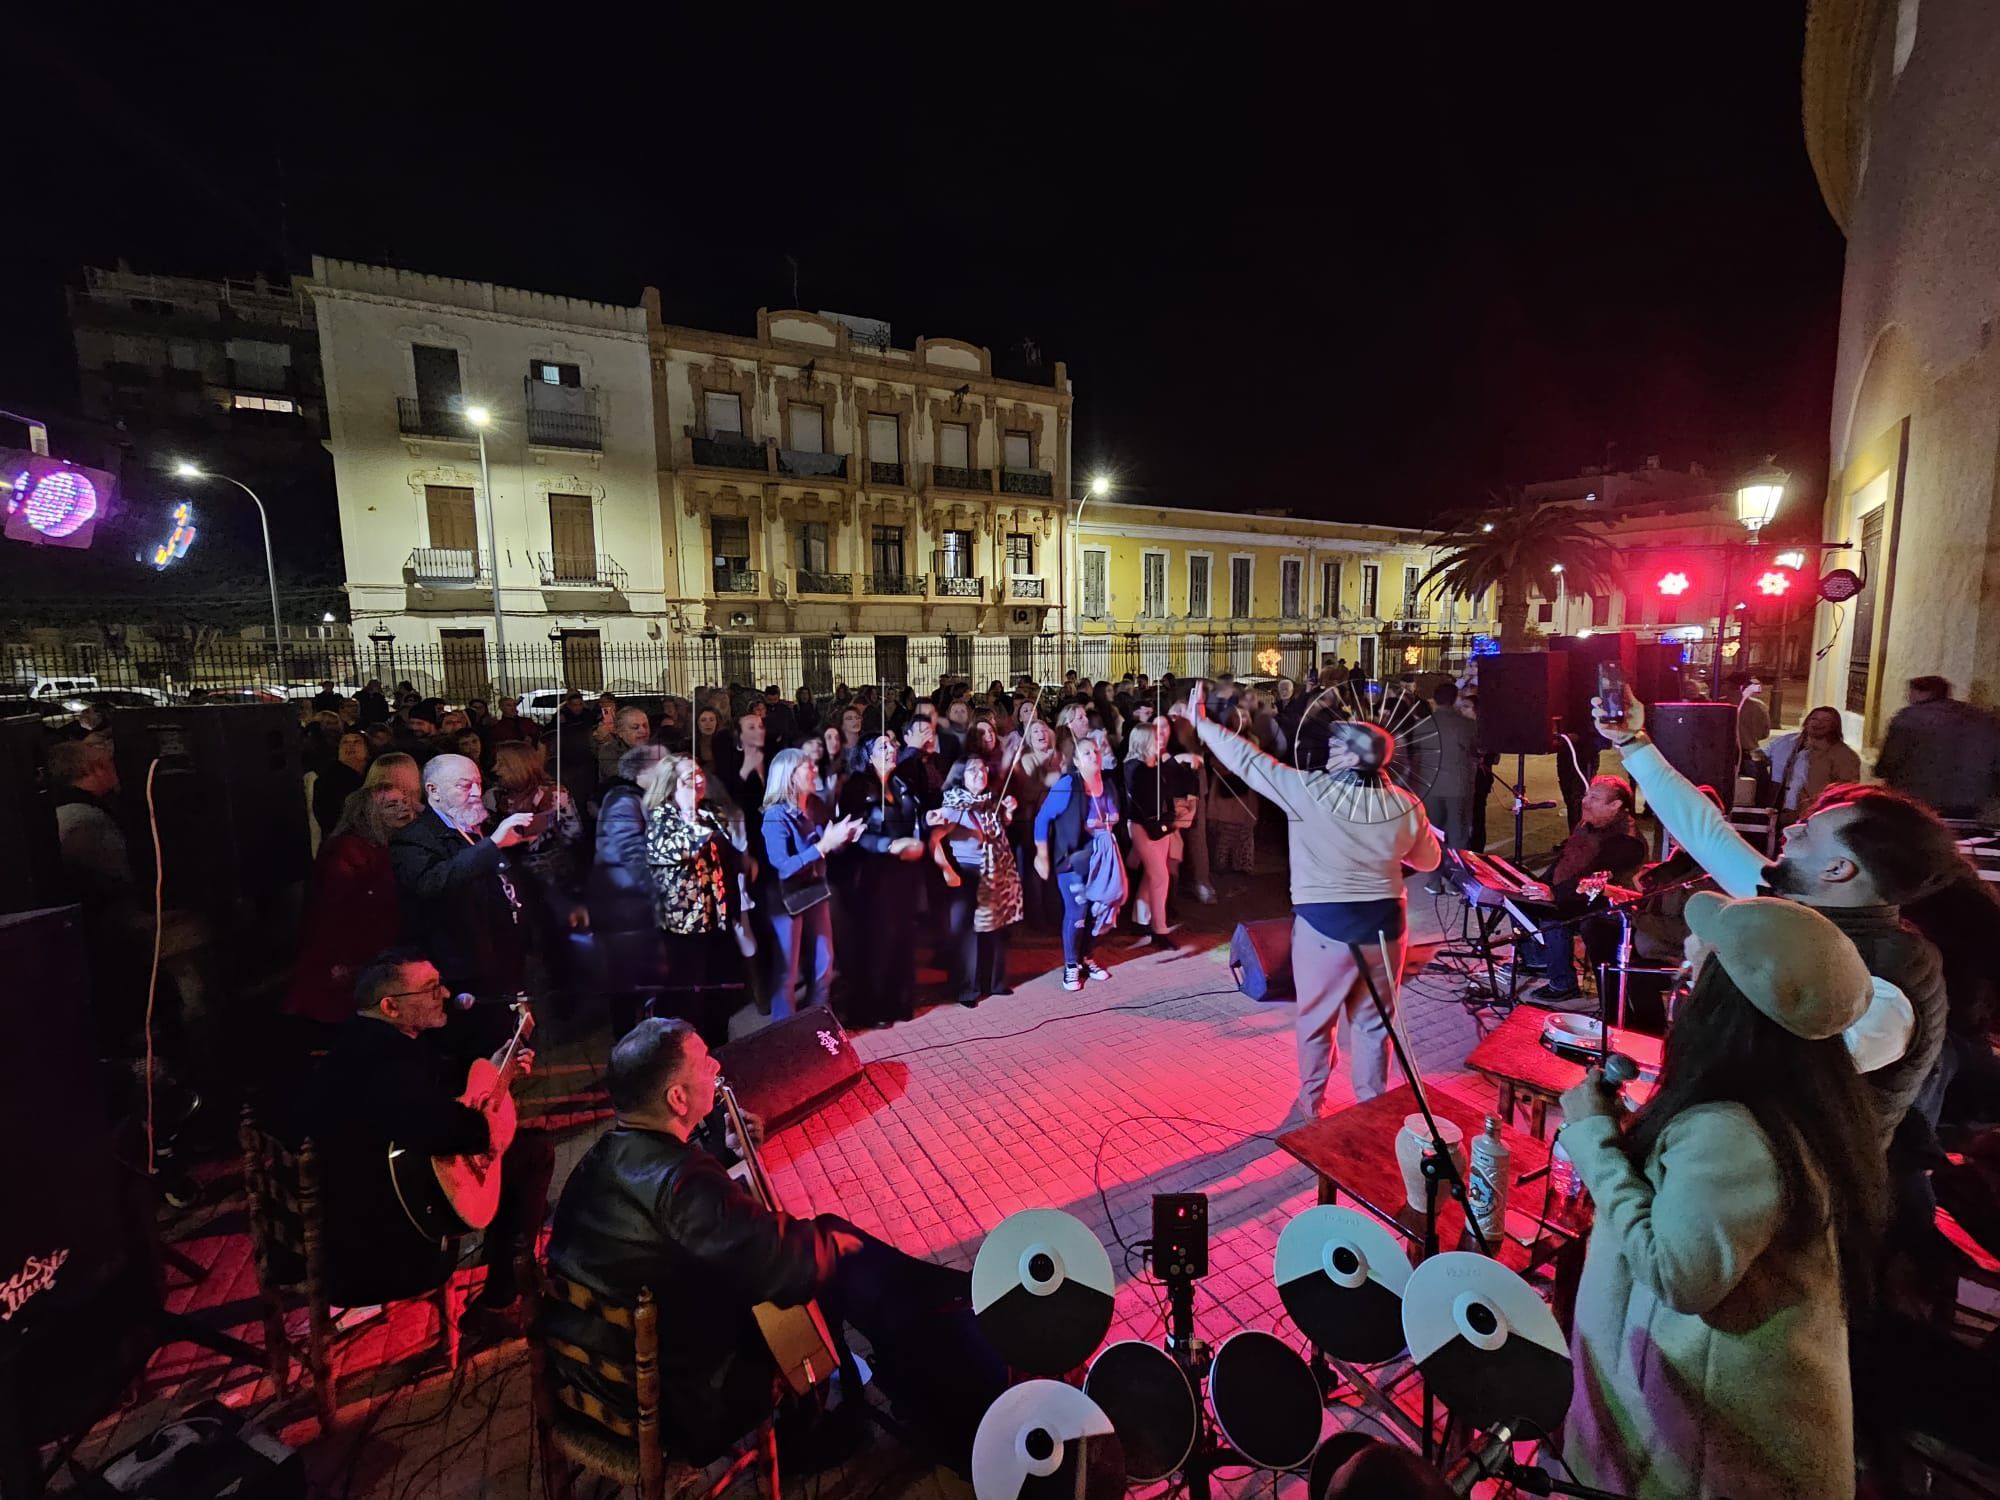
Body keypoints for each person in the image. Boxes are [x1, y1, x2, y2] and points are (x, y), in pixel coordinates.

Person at [542, 1018, 1004, 1469]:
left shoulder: (599, 1160)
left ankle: (934, 1313)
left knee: (830, 1257)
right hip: (678, 1404)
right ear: (677, 1098)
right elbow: (782, 1269)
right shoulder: (684, 1183)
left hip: (587, 1383)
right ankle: (823, 1427)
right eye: (705, 1064)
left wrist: (721, 1157)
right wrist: (840, 1244)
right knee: (823, 1276)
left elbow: (670, 1222)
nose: (716, 1070)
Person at [1555, 894, 1886, 1499]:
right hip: (1714, 1418)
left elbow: (1680, 1275)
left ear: (1724, 1004)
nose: (1682, 985)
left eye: (1695, 971)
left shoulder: (1735, 1128)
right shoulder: (1807, 1096)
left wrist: (1593, 1141)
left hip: (1704, 1450)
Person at [1591, 695, 1950, 1160]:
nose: (1788, 832)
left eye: (1808, 833)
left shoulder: (1889, 983)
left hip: (1797, 1199)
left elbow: (1780, 1071)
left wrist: (1713, 970)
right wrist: (1632, 742)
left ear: (1839, 869)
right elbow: (1706, 831)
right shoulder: (1796, 904)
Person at [1176, 684, 1440, 1117]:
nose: (1329, 750)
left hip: (1324, 929)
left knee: (1317, 1021)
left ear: (1356, 758)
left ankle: (1311, 1105)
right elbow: (1428, 860)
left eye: (1338, 746)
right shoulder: (1404, 805)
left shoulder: (1310, 791)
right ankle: (1370, 1109)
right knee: (1375, 1025)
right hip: (1385, 931)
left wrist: (1204, 725)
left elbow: (1250, 763)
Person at [302, 949, 554, 1316]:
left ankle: (506, 1278)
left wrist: (498, 1072)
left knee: (517, 1159)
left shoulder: (366, 1040)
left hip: (370, 1209)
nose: (447, 995)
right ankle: (501, 1303)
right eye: (432, 989)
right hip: (383, 1248)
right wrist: (492, 1119)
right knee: (531, 1154)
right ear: (391, 1006)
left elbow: (432, 1111)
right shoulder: (387, 1064)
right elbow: (455, 1131)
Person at [389, 754, 541, 1056]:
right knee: (475, 1054)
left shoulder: (476, 825)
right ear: (433, 791)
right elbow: (432, 883)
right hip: (463, 969)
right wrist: (492, 844)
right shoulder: (414, 839)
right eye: (464, 786)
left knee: (507, 1047)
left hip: (501, 960)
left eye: (478, 784)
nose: (475, 793)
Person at [286, 785, 417, 1040]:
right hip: (347, 965)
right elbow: (330, 913)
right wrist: (339, 962)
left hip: (378, 958)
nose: (404, 808)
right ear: (367, 813)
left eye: (404, 801)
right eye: (391, 805)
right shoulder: (347, 853)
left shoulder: (390, 848)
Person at [1516, 775, 1649, 1008]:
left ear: (1615, 805)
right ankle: (1537, 960)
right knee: (1519, 896)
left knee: (1554, 914)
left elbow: (1593, 881)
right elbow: (1564, 860)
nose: (1585, 801)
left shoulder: (1626, 841)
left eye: (1595, 797)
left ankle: (1563, 983)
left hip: (1600, 903)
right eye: (1587, 794)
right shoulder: (1589, 824)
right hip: (1572, 889)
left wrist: (1554, 894)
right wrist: (1542, 884)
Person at [645, 754, 749, 1044]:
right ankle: (684, 1057)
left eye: (700, 773)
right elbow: (685, 851)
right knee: (687, 1002)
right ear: (670, 785)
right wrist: (692, 817)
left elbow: (728, 855)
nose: (700, 780)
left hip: (717, 919)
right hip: (682, 929)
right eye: (690, 777)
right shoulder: (659, 819)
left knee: (720, 994)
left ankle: (717, 1053)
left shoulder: (709, 812)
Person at [759, 746, 860, 1018]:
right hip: (786, 898)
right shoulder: (775, 816)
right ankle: (785, 1031)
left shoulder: (815, 805)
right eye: (808, 766)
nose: (814, 769)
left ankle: (820, 1017)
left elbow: (826, 844)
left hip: (814, 891)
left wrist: (845, 837)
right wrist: (824, 846)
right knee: (787, 970)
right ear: (789, 775)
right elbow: (783, 867)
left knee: (824, 961)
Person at [835, 735, 927, 1027]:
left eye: (893, 745)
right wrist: (887, 846)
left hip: (903, 873)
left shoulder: (902, 784)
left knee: (903, 936)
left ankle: (898, 1002)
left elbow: (915, 820)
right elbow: (854, 832)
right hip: (871, 875)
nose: (891, 749)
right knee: (876, 942)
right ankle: (871, 1009)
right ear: (867, 754)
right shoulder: (857, 786)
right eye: (882, 746)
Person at [1034, 733, 1126, 992]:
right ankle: (1071, 965)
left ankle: (1087, 957)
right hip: (1073, 861)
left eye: (1096, 751)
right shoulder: (1068, 785)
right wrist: (1041, 855)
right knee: (1077, 913)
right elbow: (1042, 819)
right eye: (1086, 752)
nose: (1093, 756)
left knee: (1097, 911)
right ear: (1076, 760)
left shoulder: (1108, 785)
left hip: (1102, 861)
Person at [929, 755, 1022, 1004]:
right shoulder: (956, 805)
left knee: (995, 930)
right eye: (972, 770)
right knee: (968, 936)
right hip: (968, 873)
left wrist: (1009, 813)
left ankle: (992, 982)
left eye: (983, 769)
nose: (980, 774)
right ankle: (965, 988)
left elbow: (998, 832)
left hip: (994, 872)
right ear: (961, 775)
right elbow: (933, 837)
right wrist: (947, 870)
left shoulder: (989, 802)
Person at [587, 743, 675, 1008]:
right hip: (627, 912)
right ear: (644, 772)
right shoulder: (623, 802)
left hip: (632, 910)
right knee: (631, 986)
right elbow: (629, 857)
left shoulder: (638, 799)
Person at [1874, 675, 2000, 819]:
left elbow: (1889, 762)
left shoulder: (1908, 719)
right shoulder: (1984, 719)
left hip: (1918, 802)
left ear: (1920, 693)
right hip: (1969, 803)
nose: (1908, 698)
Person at [1122, 719, 1198, 949]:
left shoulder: (1155, 765)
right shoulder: (1135, 768)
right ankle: (1160, 930)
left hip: (1160, 826)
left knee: (1152, 876)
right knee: (1160, 876)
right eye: (1154, 737)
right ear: (1143, 741)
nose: (1160, 740)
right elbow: (1143, 802)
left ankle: (1141, 919)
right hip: (1144, 828)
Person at [1764, 705, 1862, 825]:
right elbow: (1761, 756)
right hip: (1780, 814)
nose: (1818, 724)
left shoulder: (1845, 756)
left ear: (1834, 726)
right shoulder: (1787, 742)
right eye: (1814, 719)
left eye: (1826, 720)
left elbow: (1846, 791)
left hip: (1814, 818)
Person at [1420, 684, 1477, 877]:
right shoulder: (1466, 725)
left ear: (1434, 700)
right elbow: (1477, 749)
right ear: (1454, 699)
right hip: (1457, 785)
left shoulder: (1423, 725)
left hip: (1430, 786)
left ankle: (1434, 879)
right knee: (1458, 833)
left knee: (1433, 834)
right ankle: (1456, 879)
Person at [1205, 705, 1261, 874]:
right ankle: (1221, 863)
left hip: (1245, 789)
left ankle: (1242, 864)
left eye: (1245, 716)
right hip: (1225, 785)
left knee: (1244, 827)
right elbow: (1214, 760)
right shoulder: (1223, 736)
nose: (1242, 720)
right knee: (1225, 827)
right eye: (1238, 716)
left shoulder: (1252, 739)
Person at [314, 730, 370, 838]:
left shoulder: (376, 773)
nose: (350, 746)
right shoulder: (327, 779)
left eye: (357, 742)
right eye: (345, 742)